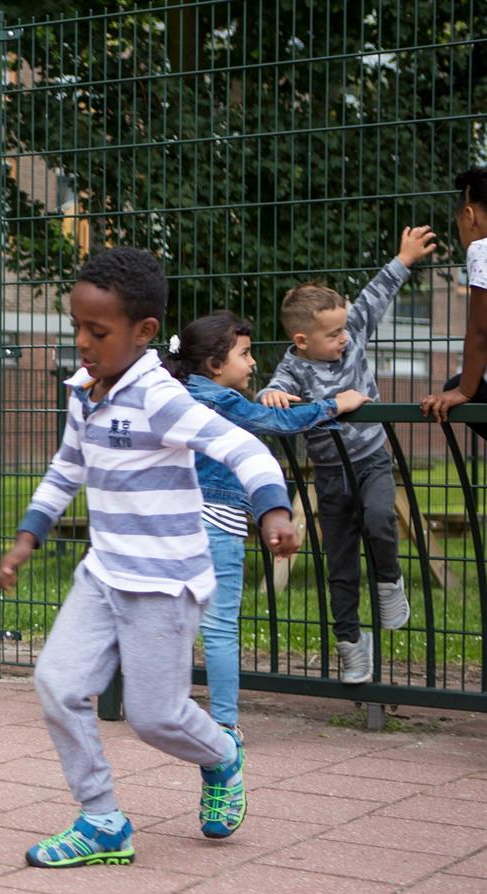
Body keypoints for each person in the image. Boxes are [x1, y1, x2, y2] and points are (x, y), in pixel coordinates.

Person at [0, 248, 300, 867]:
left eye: (97, 332)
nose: (81, 342)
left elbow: (247, 451)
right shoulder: (84, 390)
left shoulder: (160, 398)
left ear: (145, 333)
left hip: (164, 583)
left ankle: (221, 755)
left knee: (156, 719)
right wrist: (28, 535)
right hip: (104, 573)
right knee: (56, 683)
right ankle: (102, 819)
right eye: (76, 326)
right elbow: (66, 468)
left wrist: (273, 510)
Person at [166, 311, 370, 715]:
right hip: (216, 525)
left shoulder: (173, 393)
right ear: (215, 365)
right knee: (221, 629)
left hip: (171, 523)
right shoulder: (219, 400)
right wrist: (335, 404)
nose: (254, 362)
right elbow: (273, 421)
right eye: (245, 354)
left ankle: (166, 709)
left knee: (172, 622)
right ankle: (225, 722)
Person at [259, 226, 437, 681]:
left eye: (343, 329)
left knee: (381, 519)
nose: (343, 338)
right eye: (332, 334)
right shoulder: (294, 365)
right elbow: (276, 388)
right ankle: (350, 643)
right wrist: (273, 394)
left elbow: (377, 293)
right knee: (339, 564)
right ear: (302, 341)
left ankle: (389, 582)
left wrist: (404, 257)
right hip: (330, 474)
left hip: (373, 460)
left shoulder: (353, 329)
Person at [422, 168, 487, 439]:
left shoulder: (482, 249)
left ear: (469, 215)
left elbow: (481, 328)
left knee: (457, 384)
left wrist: (464, 391)